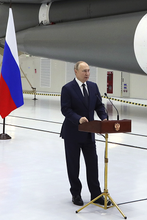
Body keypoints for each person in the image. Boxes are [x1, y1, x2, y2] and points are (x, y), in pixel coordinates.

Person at [60, 61, 110, 207]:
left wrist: (104, 118)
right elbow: (65, 109)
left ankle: (96, 195)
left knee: (92, 165)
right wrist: (78, 119)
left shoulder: (93, 87)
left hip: (89, 133)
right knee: (73, 165)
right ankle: (76, 194)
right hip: (72, 133)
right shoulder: (67, 88)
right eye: (84, 71)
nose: (87, 73)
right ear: (75, 72)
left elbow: (99, 106)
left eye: (88, 71)